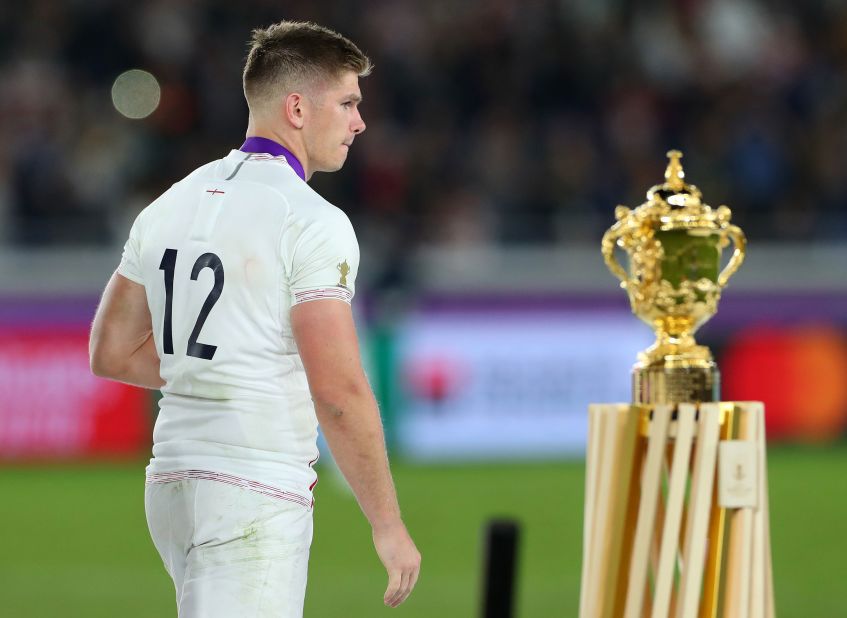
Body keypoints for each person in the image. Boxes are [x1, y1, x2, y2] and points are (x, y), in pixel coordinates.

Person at [88, 20, 420, 617]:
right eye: (347, 103)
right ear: (297, 107)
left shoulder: (170, 202)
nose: (359, 122)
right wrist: (387, 524)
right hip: (251, 486)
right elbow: (339, 391)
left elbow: (109, 351)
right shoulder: (312, 220)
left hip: (171, 480)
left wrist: (218, 374)